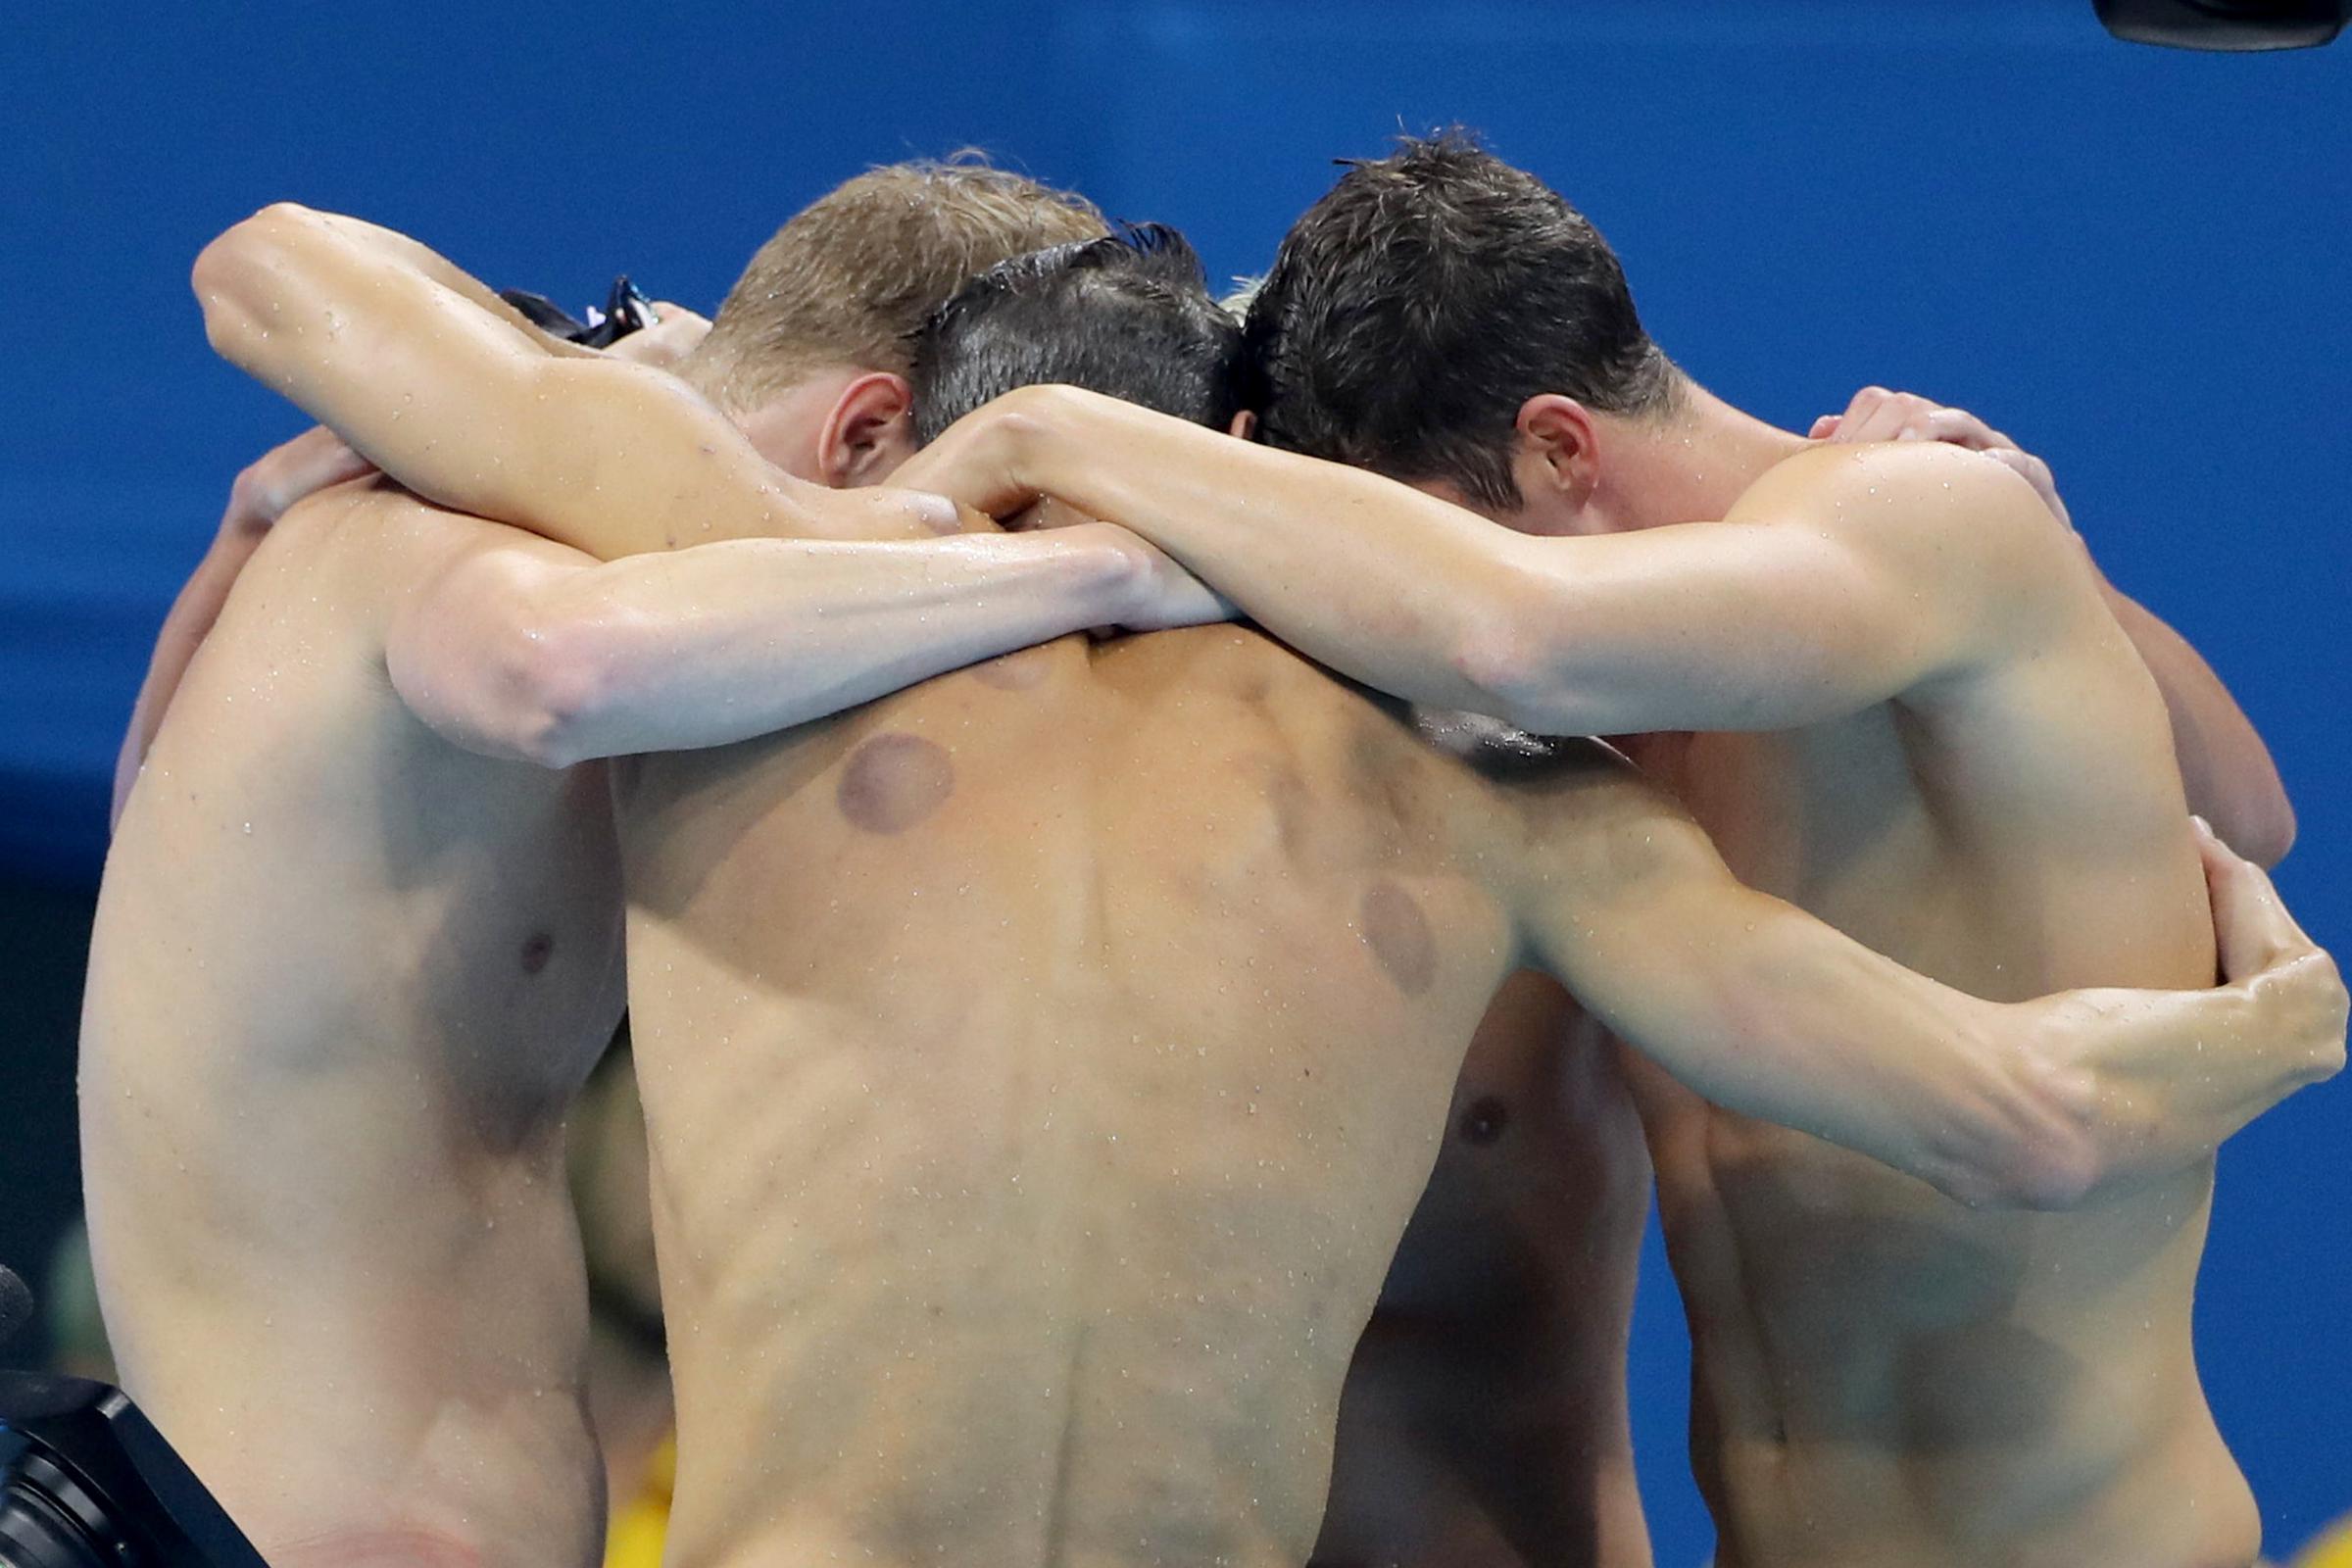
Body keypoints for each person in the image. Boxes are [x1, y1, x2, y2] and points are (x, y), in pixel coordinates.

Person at [235, 202, 2343, 1568]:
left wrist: (1055, 463)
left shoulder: (1834, 579)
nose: (1383, 608)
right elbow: (2031, 1100)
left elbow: (2225, 798)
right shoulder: (1524, 787)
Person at [896, 134, 2338, 1566]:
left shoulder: (1911, 518)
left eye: (1421, 540)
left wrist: (1053, 434)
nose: (1391, 611)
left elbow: (1510, 634)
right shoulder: (1643, 726)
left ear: (1557, 448)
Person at [79, 161, 1219, 1568]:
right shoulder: (462, 535)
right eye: (959, 509)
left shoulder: (414, 508)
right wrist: (1091, 571)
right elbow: (553, 672)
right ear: (865, 435)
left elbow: (163, 802)